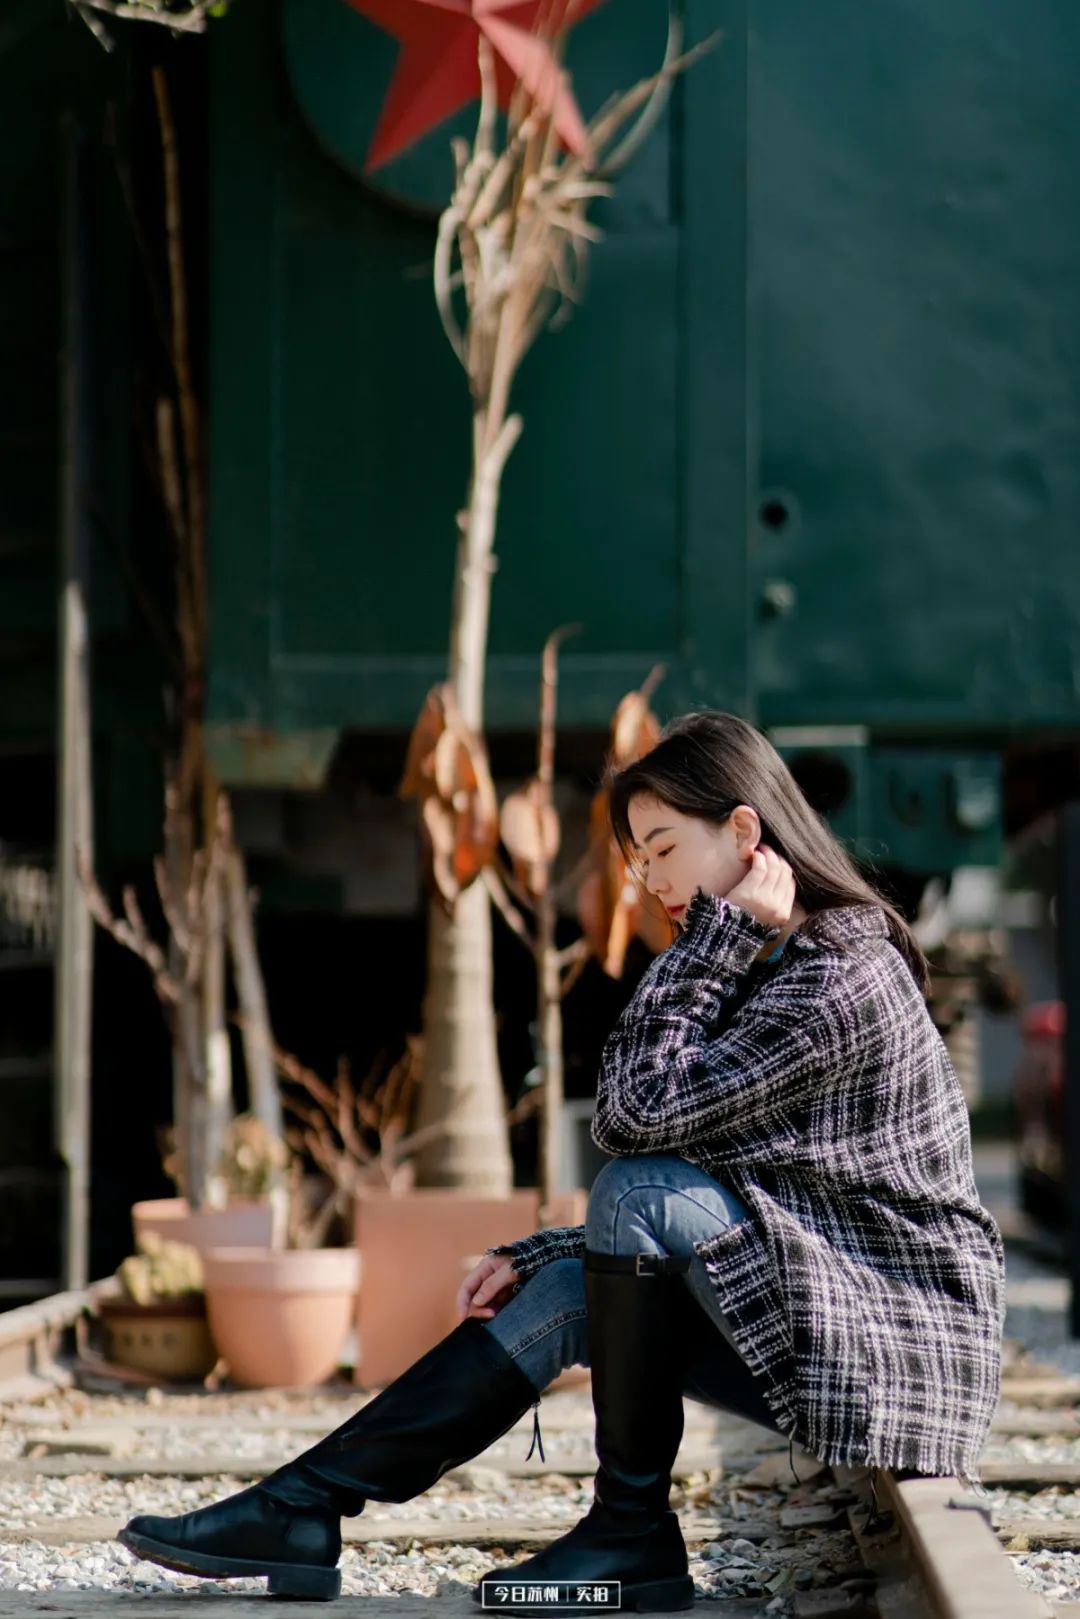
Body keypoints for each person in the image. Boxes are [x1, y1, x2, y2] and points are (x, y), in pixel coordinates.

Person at [117, 710, 1005, 1610]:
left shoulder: (837, 977)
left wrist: (713, 942)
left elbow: (633, 1117)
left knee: (634, 1190)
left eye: (665, 848)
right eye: (639, 860)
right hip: (834, 1302)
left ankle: (629, 1531)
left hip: (896, 1343)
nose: (652, 880)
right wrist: (548, 1250)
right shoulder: (782, 960)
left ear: (746, 831)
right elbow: (738, 1181)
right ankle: (302, 1506)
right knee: (569, 1287)